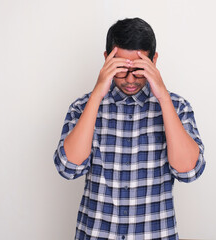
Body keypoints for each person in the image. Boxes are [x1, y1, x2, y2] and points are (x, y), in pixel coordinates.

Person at [53, 17, 206, 240]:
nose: (130, 79)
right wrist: (97, 94)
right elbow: (68, 168)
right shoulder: (83, 107)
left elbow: (189, 172)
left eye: (139, 70)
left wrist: (163, 96)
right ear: (107, 59)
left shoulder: (177, 107)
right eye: (121, 69)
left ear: (154, 60)